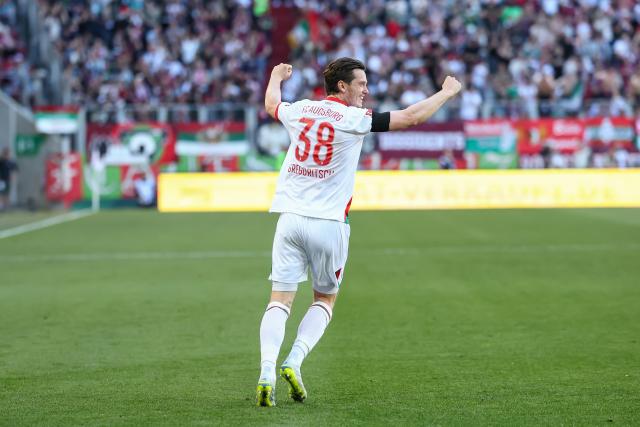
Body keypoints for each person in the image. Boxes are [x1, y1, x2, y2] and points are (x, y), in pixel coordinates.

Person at [256, 58, 461, 406]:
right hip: (329, 224)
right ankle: (294, 361)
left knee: (280, 300)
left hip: (289, 219)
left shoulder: (302, 110)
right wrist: (446, 92)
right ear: (342, 86)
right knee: (324, 300)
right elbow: (411, 117)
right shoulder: (354, 119)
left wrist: (275, 74)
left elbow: (272, 104)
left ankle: (265, 372)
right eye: (361, 84)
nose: (366, 90)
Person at [0, 147, 18, 211]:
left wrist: (13, 178)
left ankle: (6, 207)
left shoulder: (10, 162)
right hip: (1, 180)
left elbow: (14, 170)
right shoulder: (1, 161)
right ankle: (1, 206)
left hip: (7, 180)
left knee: (7, 193)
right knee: (1, 193)